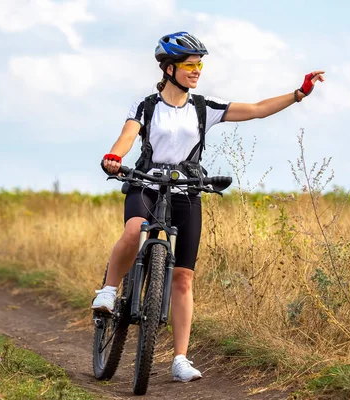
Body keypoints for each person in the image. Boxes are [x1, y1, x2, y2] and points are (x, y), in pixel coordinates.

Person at [93, 31, 324, 383]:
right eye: (190, 64)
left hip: (187, 189)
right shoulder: (146, 106)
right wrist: (115, 156)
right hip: (146, 184)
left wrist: (299, 94)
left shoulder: (204, 107)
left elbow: (258, 109)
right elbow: (128, 134)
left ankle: (180, 358)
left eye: (199, 64)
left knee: (183, 277)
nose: (197, 70)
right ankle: (109, 290)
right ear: (169, 69)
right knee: (132, 229)